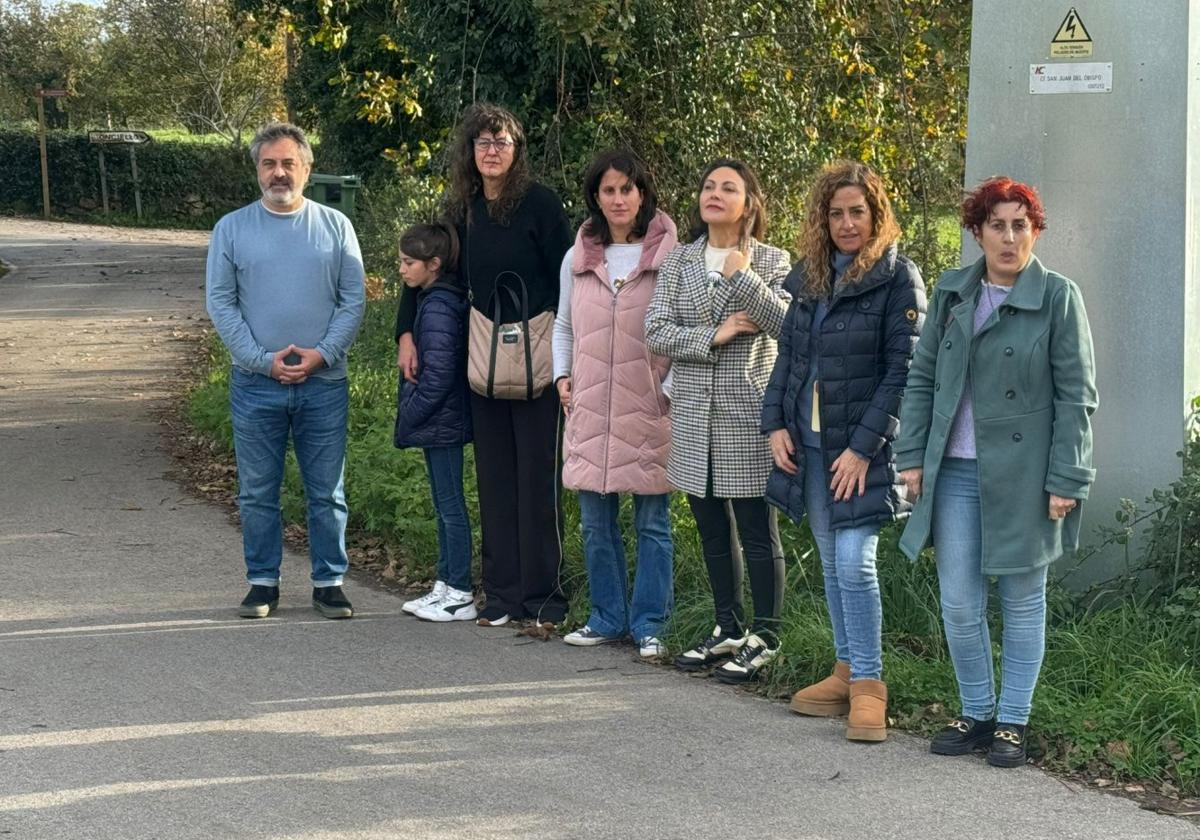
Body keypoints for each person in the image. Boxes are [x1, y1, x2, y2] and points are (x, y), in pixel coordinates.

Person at [895, 176, 1097, 767]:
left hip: (1025, 475)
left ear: (1034, 231)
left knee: (1021, 599)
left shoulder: (1058, 296)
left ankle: (1013, 721)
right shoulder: (953, 292)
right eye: (996, 225)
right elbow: (922, 377)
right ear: (977, 232)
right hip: (954, 471)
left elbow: (1076, 397)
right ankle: (977, 712)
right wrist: (910, 456)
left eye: (1020, 225)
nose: (1009, 237)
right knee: (959, 602)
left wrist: (1067, 477)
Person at [761, 160, 926, 742]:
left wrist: (861, 450)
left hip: (863, 450)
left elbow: (902, 374)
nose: (847, 223)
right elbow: (789, 359)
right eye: (836, 213)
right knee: (832, 562)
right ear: (822, 218)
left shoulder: (899, 278)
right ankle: (846, 668)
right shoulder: (808, 278)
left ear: (876, 214)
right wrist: (773, 424)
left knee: (856, 561)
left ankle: (871, 689)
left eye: (858, 211)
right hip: (808, 444)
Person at [394, 103, 572, 627]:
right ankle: (501, 596)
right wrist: (406, 329)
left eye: (502, 142)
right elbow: (428, 273)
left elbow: (569, 279)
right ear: (469, 152)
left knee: (537, 479)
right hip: (483, 361)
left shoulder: (540, 205)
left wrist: (569, 357)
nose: (492, 151)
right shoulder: (463, 207)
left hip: (537, 358)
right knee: (494, 478)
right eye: (483, 143)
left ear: (517, 151)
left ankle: (544, 599)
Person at [205, 121, 365, 619]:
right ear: (257, 170)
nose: (279, 173)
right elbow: (221, 303)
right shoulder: (230, 229)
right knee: (257, 492)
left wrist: (324, 354)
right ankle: (262, 582)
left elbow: (353, 299)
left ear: (306, 168)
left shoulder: (336, 227)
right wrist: (260, 360)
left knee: (327, 491)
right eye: (269, 164)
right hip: (255, 386)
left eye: (287, 163)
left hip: (324, 384)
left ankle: (329, 582)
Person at [645, 158, 791, 683]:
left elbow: (787, 325)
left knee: (756, 528)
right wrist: (716, 334)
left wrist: (743, 276)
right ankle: (727, 625)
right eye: (709, 185)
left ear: (749, 202)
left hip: (747, 413)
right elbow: (656, 330)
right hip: (691, 414)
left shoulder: (773, 260)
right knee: (710, 528)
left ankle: (767, 635)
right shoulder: (680, 259)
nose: (715, 193)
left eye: (729, 187)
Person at [553, 150, 678, 659]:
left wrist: (667, 393)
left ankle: (651, 622)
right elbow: (564, 325)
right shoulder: (578, 256)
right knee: (594, 522)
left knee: (652, 520)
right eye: (608, 190)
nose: (618, 199)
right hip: (589, 409)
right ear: (596, 198)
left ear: (642, 193)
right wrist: (563, 376)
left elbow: (681, 331)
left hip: (648, 408)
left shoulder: (672, 258)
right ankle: (607, 617)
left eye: (627, 189)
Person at [393, 221, 476, 622]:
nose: (403, 270)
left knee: (451, 506)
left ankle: (460, 590)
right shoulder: (430, 299)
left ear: (434, 264)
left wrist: (409, 415)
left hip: (442, 421)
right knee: (443, 506)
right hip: (435, 421)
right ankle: (444, 583)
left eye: (409, 263)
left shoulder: (440, 307)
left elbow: (440, 375)